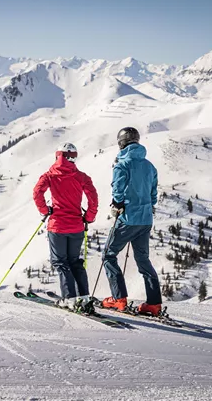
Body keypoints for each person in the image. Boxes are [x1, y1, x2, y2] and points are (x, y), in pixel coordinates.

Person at [101, 127, 163, 316]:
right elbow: (153, 194)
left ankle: (118, 298)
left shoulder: (122, 164)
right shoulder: (150, 166)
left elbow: (118, 189)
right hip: (145, 219)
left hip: (128, 219)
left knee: (109, 255)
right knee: (142, 259)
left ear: (121, 143)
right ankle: (153, 304)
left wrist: (117, 205)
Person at [33, 143, 98, 311]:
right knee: (75, 262)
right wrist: (89, 217)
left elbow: (37, 193)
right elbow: (93, 197)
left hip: (57, 227)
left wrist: (45, 210)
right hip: (76, 225)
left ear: (57, 156)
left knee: (61, 263)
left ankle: (69, 298)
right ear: (73, 157)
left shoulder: (49, 176)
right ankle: (83, 296)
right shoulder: (81, 177)